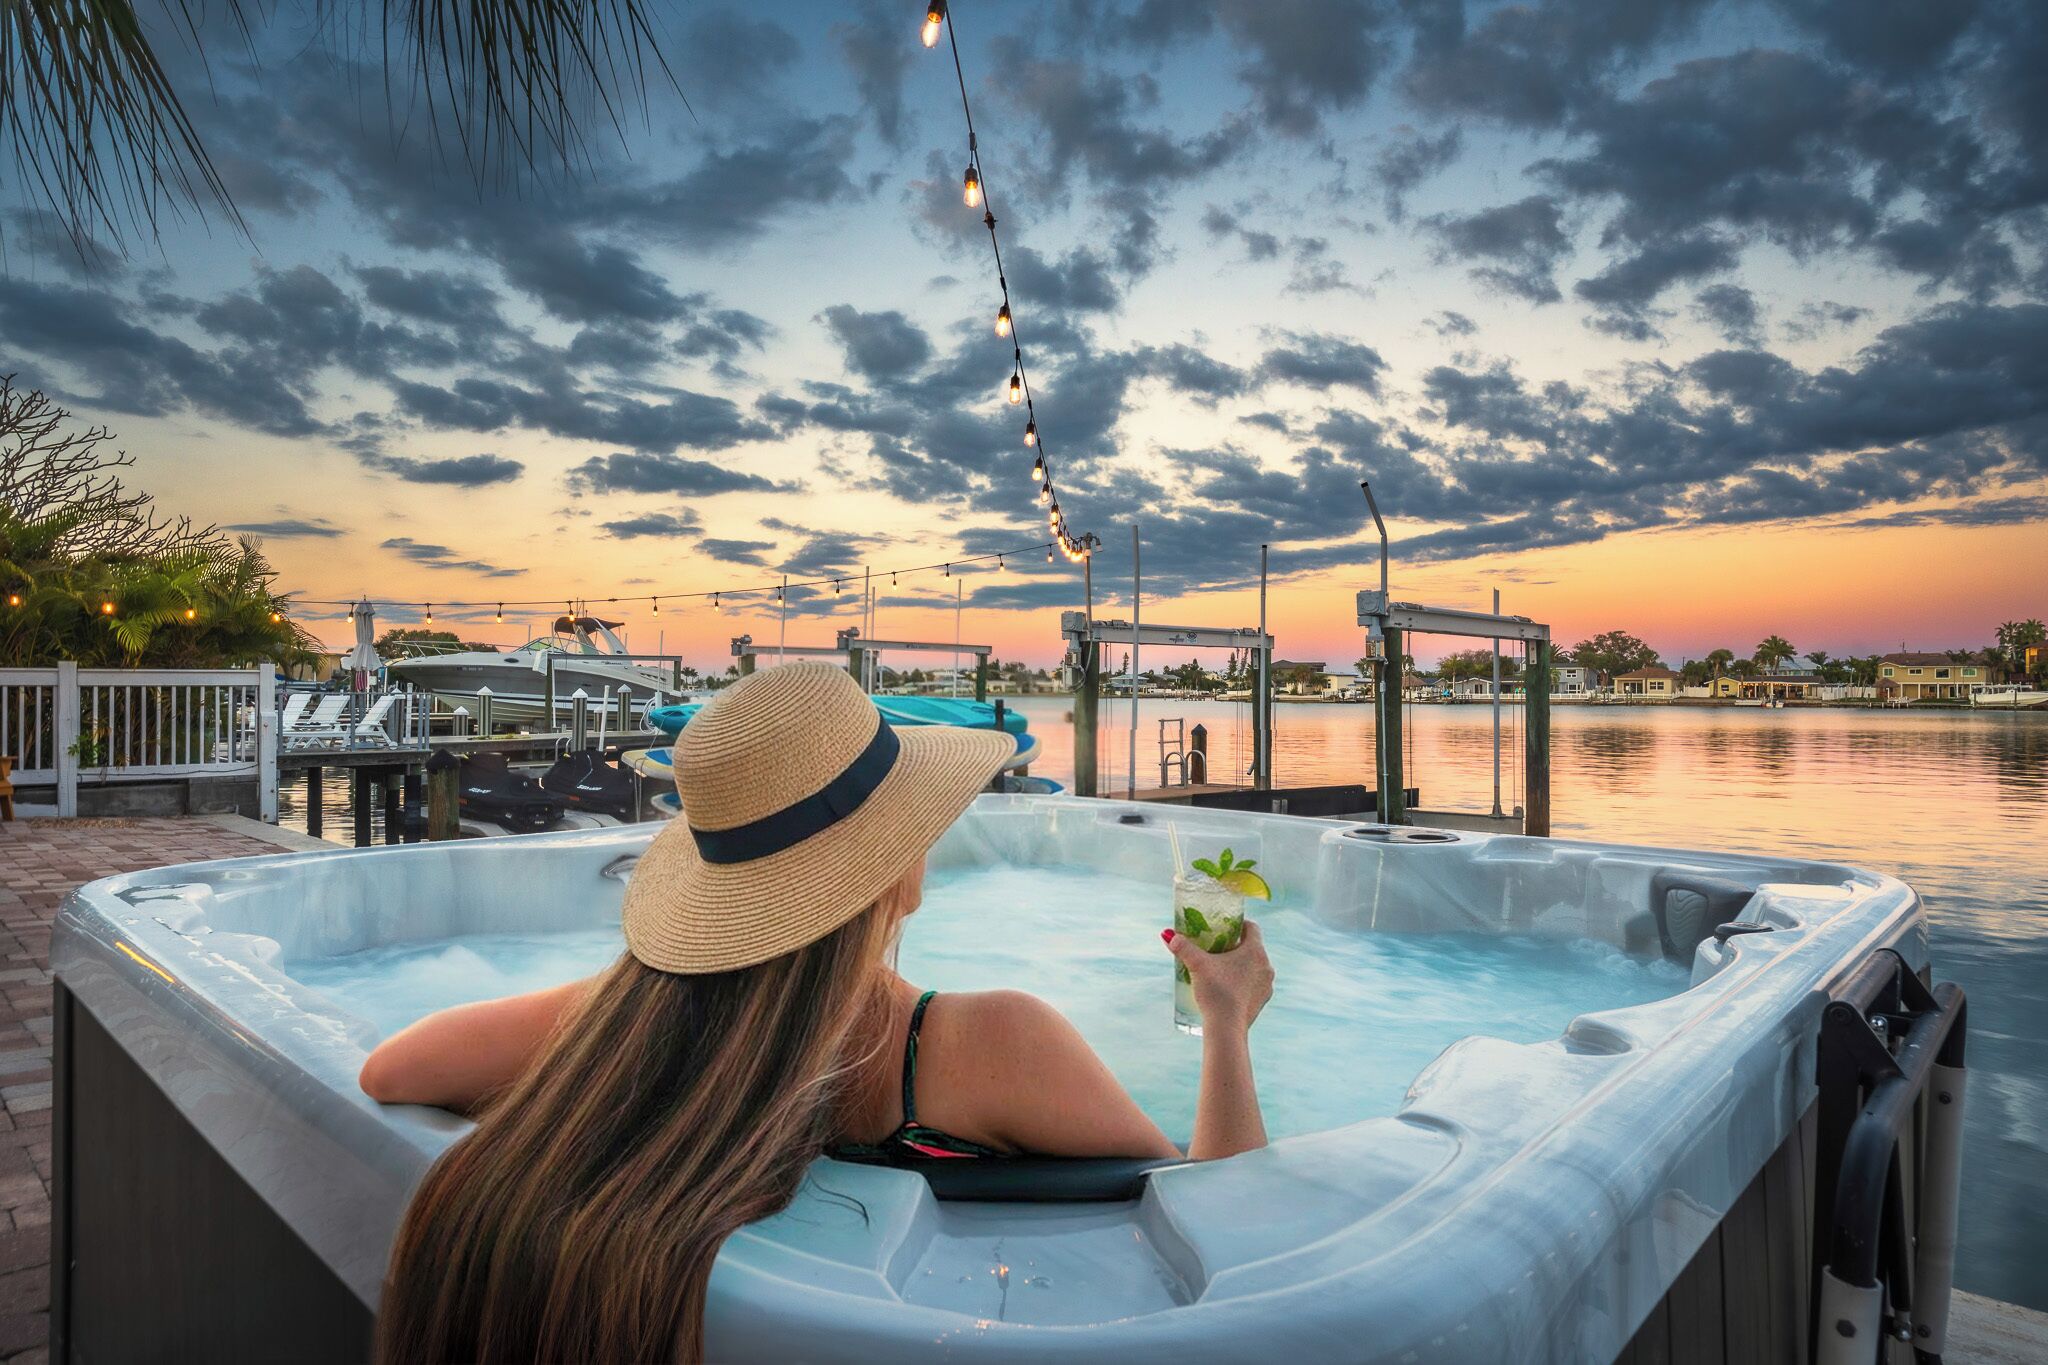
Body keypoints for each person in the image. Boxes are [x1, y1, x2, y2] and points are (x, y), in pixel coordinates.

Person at [367, 663, 1273, 1363]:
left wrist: (618, 996)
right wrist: (1224, 1021)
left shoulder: (629, 1024)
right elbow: (1226, 1236)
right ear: (901, 871)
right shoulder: (987, 1046)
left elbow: (392, 1072)